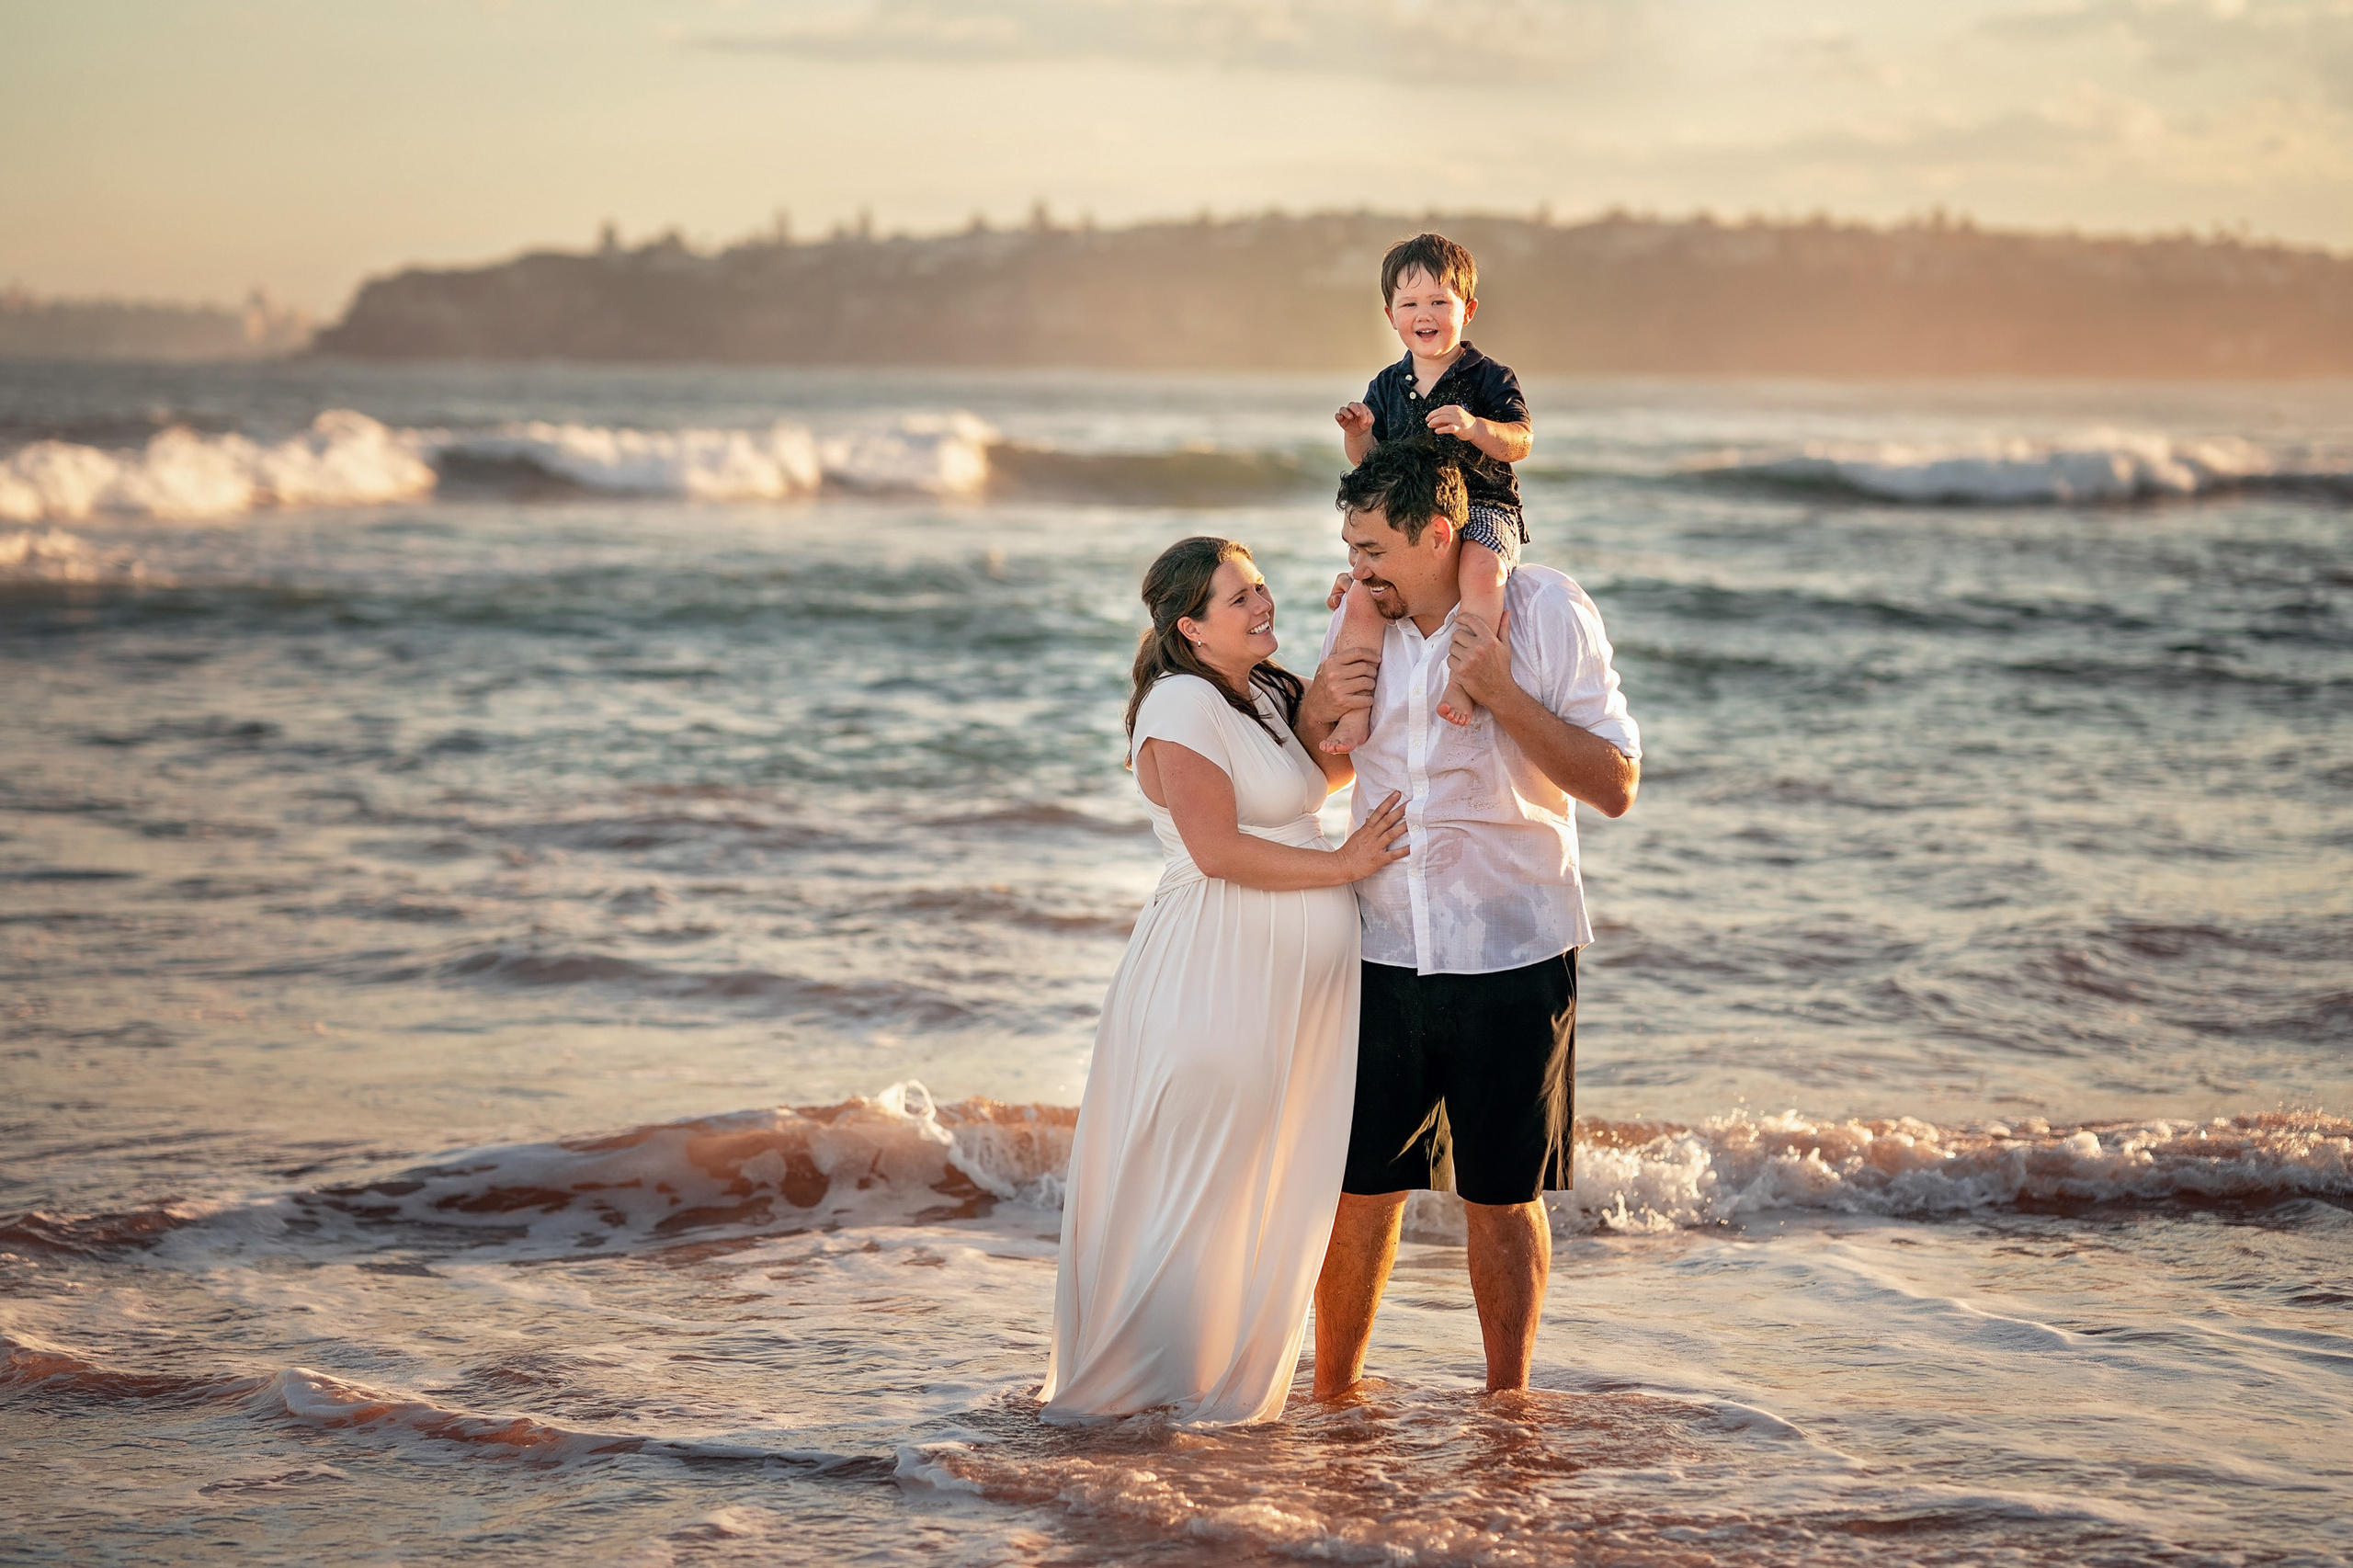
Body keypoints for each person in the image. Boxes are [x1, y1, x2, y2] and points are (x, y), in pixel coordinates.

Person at [1292, 440, 1642, 1398]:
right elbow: (1321, 770)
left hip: (1513, 948)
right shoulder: (1360, 622)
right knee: (1359, 1189)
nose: (1357, 567)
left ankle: (1508, 1407)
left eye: (1373, 549)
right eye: (1350, 547)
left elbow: (1615, 783)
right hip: (1378, 946)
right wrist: (1316, 709)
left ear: (1439, 535)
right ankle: (1336, 1399)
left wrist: (1499, 693)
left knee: (1502, 1196)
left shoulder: (1545, 609)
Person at [1041, 536, 1409, 1426]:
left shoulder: (1265, 692)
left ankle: (1202, 1393)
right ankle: (1143, 1398)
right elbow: (1216, 849)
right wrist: (1345, 864)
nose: (1261, 604)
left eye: (1260, 587)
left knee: (1255, 1182)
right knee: (1204, 1182)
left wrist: (1364, 614)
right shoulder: (1181, 704)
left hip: (1287, 988)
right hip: (1217, 975)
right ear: (1191, 628)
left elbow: (1334, 760)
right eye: (1238, 597)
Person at [1323, 232, 1532, 755]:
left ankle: (1466, 679)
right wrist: (1359, 434)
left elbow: (1520, 441)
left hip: (1483, 504)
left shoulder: (1487, 377)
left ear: (1468, 310)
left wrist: (1475, 427)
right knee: (1363, 595)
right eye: (1411, 303)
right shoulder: (1386, 385)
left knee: (1481, 570)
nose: (1425, 314)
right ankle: (1354, 711)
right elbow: (1370, 463)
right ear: (1391, 315)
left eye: (1440, 301)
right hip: (1410, 516)